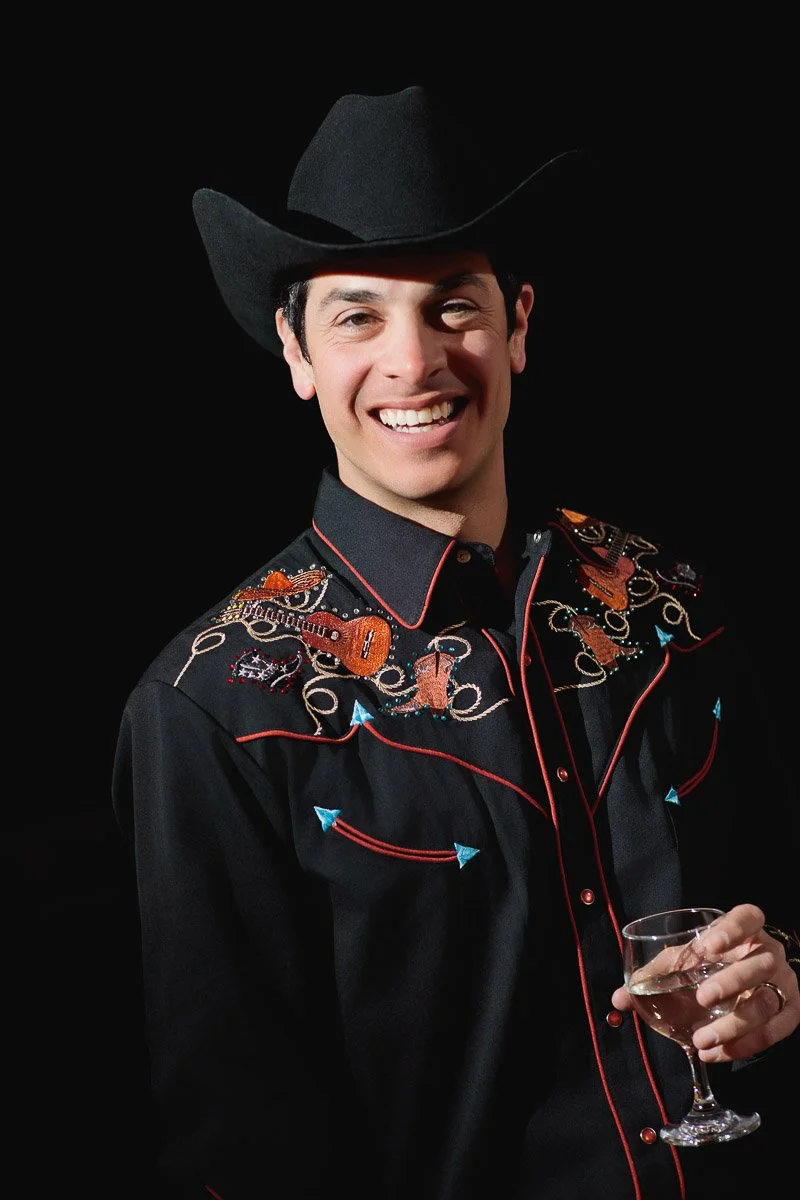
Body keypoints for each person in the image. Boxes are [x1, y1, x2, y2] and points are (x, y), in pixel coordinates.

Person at [112, 85, 799, 1199]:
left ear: (518, 323)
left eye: (452, 307)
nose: (414, 360)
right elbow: (239, 1142)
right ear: (294, 354)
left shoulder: (668, 604)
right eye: (355, 316)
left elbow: (780, 889)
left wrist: (787, 977)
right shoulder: (216, 710)